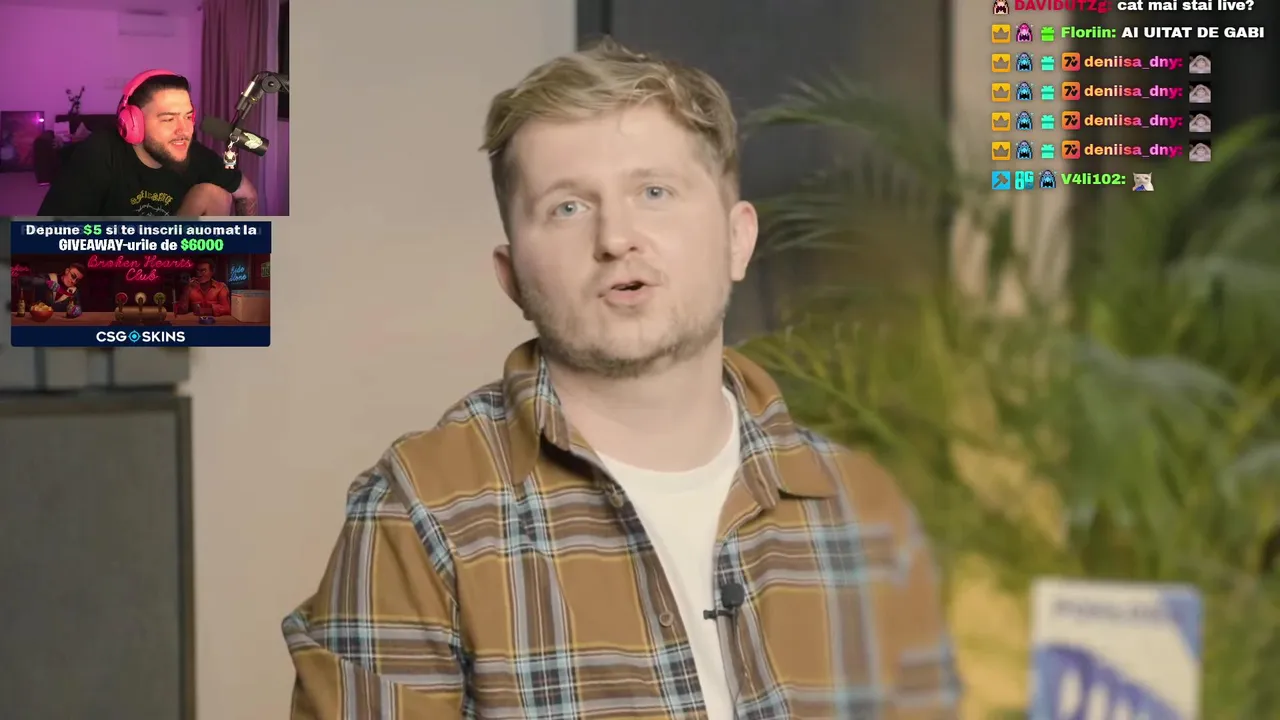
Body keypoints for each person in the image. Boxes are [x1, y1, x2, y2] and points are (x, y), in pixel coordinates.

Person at [283, 39, 960, 719]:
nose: (615, 238)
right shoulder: (418, 514)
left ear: (738, 239)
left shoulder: (863, 509)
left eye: (654, 192)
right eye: (567, 207)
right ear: (512, 278)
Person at [37, 70, 258, 217]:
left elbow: (247, 194)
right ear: (133, 123)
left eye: (188, 116)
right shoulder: (100, 152)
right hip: (110, 258)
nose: (185, 130)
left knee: (216, 194)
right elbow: (50, 232)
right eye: (168, 119)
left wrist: (244, 249)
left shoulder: (196, 154)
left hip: (170, 256)